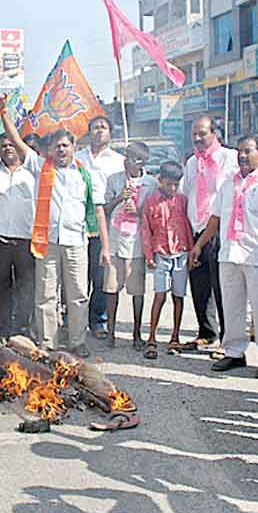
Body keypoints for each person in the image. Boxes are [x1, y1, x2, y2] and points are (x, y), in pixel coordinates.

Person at [0, 96, 107, 357]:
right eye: (57, 146)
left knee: (78, 295)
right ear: (50, 150)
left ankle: (77, 341)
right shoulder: (40, 167)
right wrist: (3, 112)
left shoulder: (85, 175)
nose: (61, 150)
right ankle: (48, 342)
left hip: (76, 243)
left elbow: (98, 211)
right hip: (46, 242)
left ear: (73, 147)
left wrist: (105, 246)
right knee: (46, 295)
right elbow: (16, 141)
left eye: (65, 146)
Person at [191, 135, 258, 378]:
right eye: (240, 151)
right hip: (230, 253)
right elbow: (215, 217)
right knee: (232, 306)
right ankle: (234, 352)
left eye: (248, 151)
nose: (243, 156)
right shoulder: (229, 182)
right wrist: (199, 245)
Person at [181, 115, 237, 349]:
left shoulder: (230, 157)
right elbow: (186, 193)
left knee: (222, 286)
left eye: (202, 133)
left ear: (214, 134)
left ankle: (229, 339)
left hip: (219, 231)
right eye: (194, 134)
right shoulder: (192, 162)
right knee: (199, 284)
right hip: (196, 230)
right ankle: (207, 331)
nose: (197, 138)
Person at [101, 141, 157, 350]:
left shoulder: (151, 184)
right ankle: (111, 332)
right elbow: (105, 209)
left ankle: (136, 334)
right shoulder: (114, 179)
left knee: (137, 291)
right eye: (127, 157)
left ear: (142, 162)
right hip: (115, 241)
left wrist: (139, 210)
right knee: (111, 288)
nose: (129, 162)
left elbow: (153, 215)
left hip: (136, 244)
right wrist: (119, 198)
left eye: (135, 159)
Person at [0, 132, 36, 345]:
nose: (8, 148)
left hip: (26, 240)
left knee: (26, 287)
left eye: (11, 144)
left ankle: (21, 329)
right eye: (3, 145)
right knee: (0, 287)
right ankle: (2, 330)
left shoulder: (33, 173)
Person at [76, 115, 125, 340]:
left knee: (100, 276)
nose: (99, 131)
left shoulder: (118, 161)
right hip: (77, 224)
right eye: (95, 128)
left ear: (110, 133)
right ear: (88, 132)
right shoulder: (77, 158)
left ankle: (98, 320)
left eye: (103, 127)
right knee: (76, 277)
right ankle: (73, 319)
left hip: (104, 226)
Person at [141, 162, 193, 359]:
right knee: (159, 296)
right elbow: (146, 230)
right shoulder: (151, 201)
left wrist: (191, 253)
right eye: (168, 184)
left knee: (178, 296)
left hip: (181, 254)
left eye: (176, 185)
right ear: (159, 181)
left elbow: (187, 226)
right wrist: (149, 255)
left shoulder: (182, 201)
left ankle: (175, 336)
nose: (172, 188)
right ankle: (152, 337)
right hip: (161, 254)